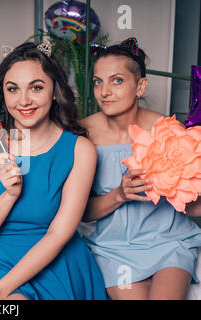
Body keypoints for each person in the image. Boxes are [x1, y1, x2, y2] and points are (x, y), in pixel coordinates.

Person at [0, 41, 108, 300]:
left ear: (54, 91)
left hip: (53, 262)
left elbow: (59, 234)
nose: (24, 100)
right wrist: (9, 195)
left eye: (36, 87)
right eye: (13, 89)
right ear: (2, 94)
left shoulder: (79, 150)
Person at [80, 37, 201, 300]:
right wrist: (119, 195)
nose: (105, 91)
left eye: (117, 80)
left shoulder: (166, 130)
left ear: (141, 85)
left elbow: (192, 203)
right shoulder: (82, 135)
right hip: (111, 248)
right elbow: (80, 213)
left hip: (169, 242)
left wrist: (182, 187)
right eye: (98, 82)